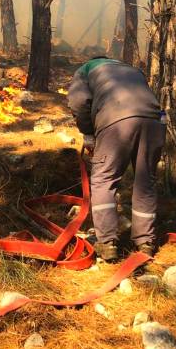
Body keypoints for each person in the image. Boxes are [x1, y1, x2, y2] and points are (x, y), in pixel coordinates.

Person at [67, 56, 165, 262]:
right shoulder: (131, 68)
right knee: (145, 180)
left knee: (104, 179)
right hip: (154, 121)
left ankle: (107, 243)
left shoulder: (85, 70)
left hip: (116, 120)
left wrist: (88, 133)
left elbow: (78, 103)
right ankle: (146, 242)